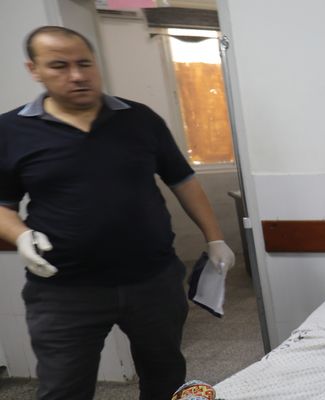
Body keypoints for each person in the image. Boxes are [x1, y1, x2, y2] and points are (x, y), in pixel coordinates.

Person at [0, 26, 235, 400]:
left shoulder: (140, 118)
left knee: (165, 376)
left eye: (84, 63)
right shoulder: (10, 130)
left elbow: (184, 181)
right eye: (59, 66)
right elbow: (2, 208)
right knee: (63, 387)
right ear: (34, 70)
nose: (76, 75)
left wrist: (215, 237)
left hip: (153, 280)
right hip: (64, 290)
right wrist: (20, 235)